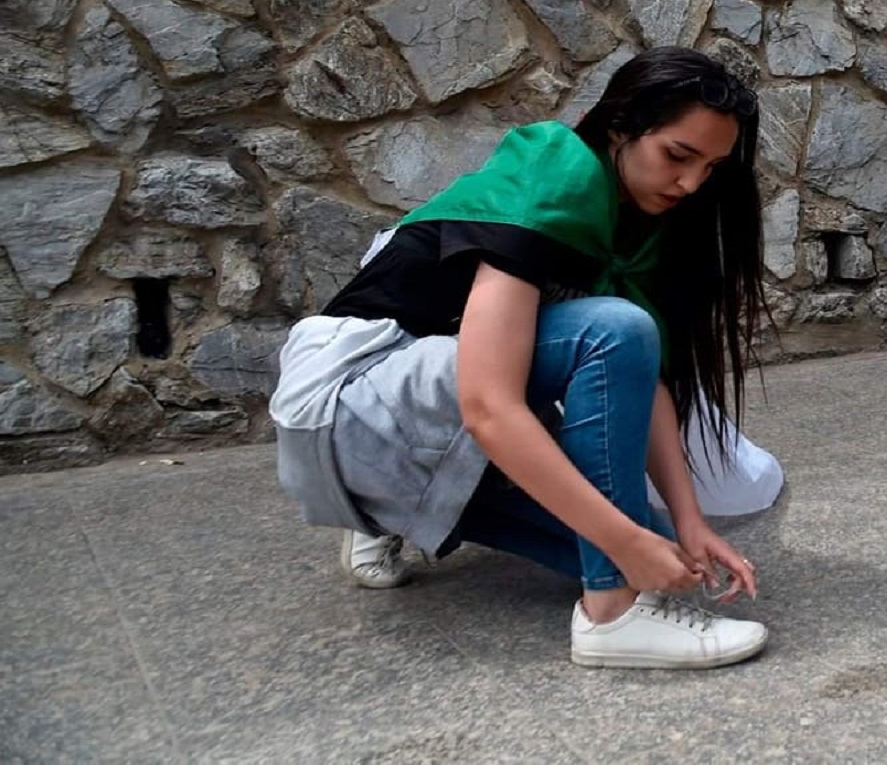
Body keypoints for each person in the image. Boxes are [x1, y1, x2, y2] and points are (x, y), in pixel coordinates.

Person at [271, 47, 774, 669]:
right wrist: (621, 545)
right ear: (621, 126)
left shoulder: (629, 221)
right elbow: (489, 405)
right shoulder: (554, 172)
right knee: (613, 344)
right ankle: (612, 618)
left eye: (711, 168)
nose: (692, 184)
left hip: (398, 436)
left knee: (666, 554)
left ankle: (383, 514)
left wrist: (690, 523)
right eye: (678, 155)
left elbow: (651, 389)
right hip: (348, 406)